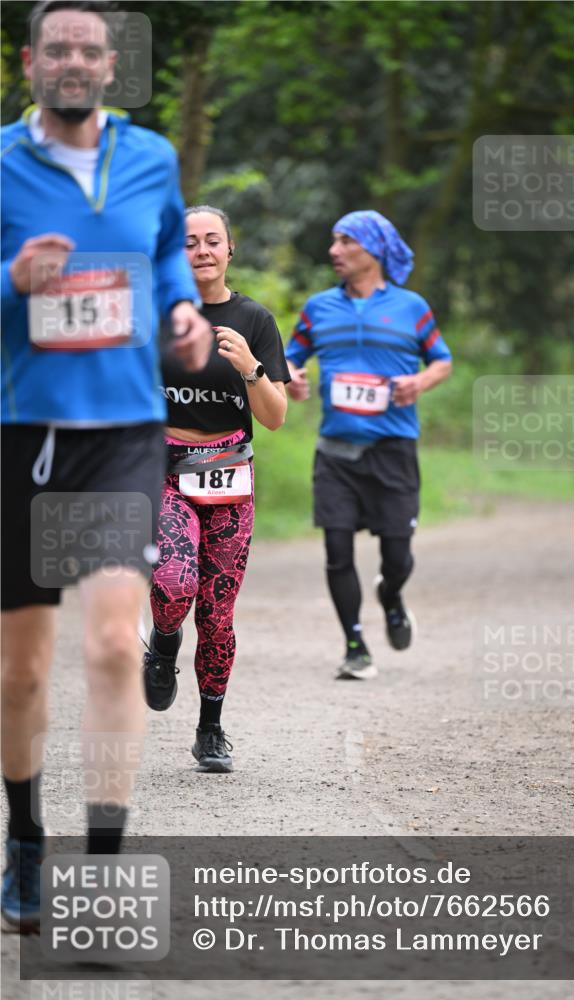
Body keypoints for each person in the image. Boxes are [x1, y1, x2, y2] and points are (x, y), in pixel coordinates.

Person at [1, 0, 211, 933]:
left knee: (115, 644)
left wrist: (182, 312)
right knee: (21, 673)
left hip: (124, 430)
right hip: (24, 432)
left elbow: (165, 255)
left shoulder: (151, 157)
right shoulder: (3, 161)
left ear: (111, 65)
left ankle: (104, 864)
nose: (75, 62)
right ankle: (24, 843)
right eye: (59, 49)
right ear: (30, 62)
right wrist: (11, 282)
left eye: (90, 49)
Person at [142, 205, 289, 772]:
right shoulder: (154, 314)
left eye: (212, 240)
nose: (201, 251)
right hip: (165, 471)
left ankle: (210, 729)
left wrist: (251, 367)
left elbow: (274, 417)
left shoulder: (254, 320)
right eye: (189, 242)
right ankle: (163, 643)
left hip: (230, 474)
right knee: (174, 585)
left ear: (230, 249)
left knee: (218, 615)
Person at [285, 210, 452, 680]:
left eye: (346, 242)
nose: (334, 251)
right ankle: (355, 645)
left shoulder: (411, 307)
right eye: (334, 241)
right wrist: (291, 377)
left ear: (375, 249)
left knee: (397, 555)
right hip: (335, 451)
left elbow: (442, 360)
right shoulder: (318, 308)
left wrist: (419, 382)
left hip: (393, 449)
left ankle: (391, 595)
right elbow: (289, 358)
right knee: (337, 550)